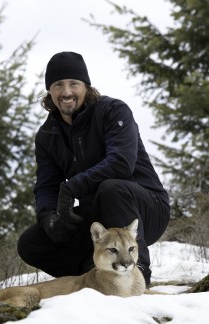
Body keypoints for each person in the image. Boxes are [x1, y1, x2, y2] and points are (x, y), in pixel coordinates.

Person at [17, 51, 170, 287]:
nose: (66, 92)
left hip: (144, 208)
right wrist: (49, 218)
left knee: (112, 189)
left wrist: (72, 187)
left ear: (86, 87)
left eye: (73, 84)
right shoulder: (47, 136)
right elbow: (46, 186)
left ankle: (140, 282)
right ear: (50, 91)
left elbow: (121, 162)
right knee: (30, 243)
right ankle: (93, 278)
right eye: (58, 84)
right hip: (99, 216)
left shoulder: (113, 111)